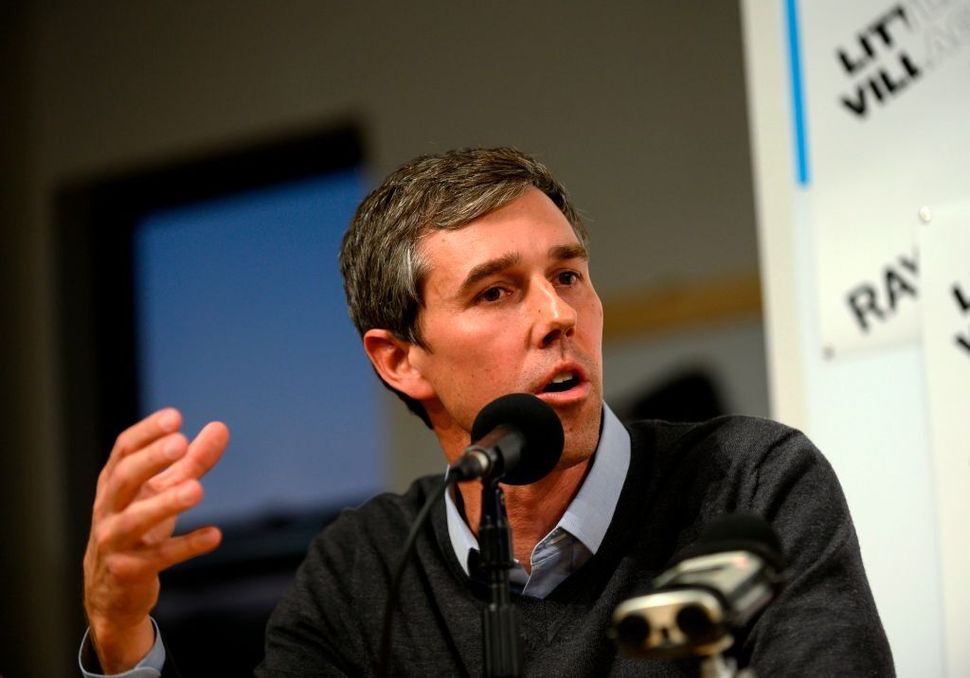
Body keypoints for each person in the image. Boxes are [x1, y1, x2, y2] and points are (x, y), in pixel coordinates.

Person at [80, 147, 894, 676]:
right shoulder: (362, 573)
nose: (557, 316)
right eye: (497, 292)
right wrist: (122, 640)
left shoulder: (753, 486)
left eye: (568, 275)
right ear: (399, 360)